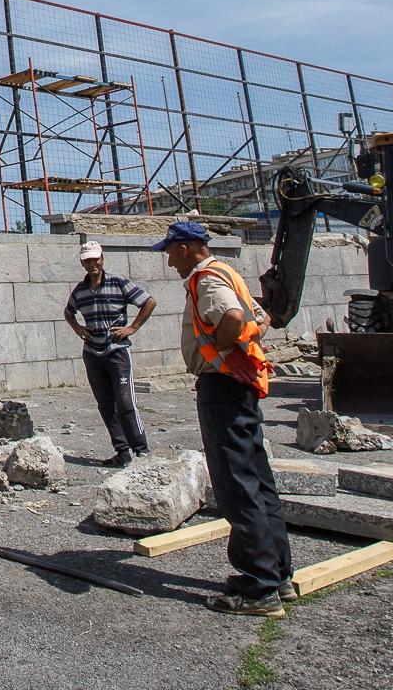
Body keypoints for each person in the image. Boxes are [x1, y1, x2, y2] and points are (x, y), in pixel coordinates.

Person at [155, 219, 294, 617]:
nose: (168, 261)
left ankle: (258, 588)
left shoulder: (206, 280)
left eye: (169, 251)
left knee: (236, 483)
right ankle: (277, 575)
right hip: (242, 384)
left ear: (185, 247)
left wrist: (220, 346)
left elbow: (232, 317)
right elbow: (261, 319)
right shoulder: (228, 272)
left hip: (222, 386)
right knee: (258, 477)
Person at [63, 241, 156, 465]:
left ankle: (141, 450)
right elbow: (68, 312)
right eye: (87, 260)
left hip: (117, 351)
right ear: (82, 263)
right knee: (105, 403)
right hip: (93, 353)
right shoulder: (80, 290)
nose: (92, 263)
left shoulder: (118, 282)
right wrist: (78, 328)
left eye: (95, 259)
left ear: (102, 259)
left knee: (125, 402)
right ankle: (122, 451)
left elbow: (149, 302)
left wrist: (132, 328)